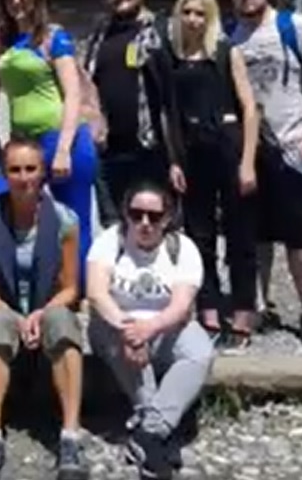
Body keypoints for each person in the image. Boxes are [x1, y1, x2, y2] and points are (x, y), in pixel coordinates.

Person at [227, 0, 302, 346]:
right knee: (255, 233)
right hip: (249, 150)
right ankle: (260, 304)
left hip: (291, 145)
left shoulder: (297, 27)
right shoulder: (230, 37)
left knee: (300, 234)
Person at [0, 138, 86, 480]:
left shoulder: (64, 220)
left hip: (46, 306)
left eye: (30, 169)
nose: (23, 178)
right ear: (5, 175)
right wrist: (16, 317)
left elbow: (70, 288)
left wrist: (39, 314)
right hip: (3, 305)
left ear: (42, 172)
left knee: (62, 321)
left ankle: (70, 435)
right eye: (15, 170)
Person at [87, 181, 214, 480]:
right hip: (115, 325)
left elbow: (181, 306)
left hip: (165, 326)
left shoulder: (182, 249)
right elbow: (96, 293)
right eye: (136, 214)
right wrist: (129, 329)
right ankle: (160, 432)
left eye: (154, 217)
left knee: (200, 352)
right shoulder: (109, 241)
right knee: (124, 342)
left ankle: (149, 432)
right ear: (126, 214)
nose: (144, 223)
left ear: (167, 219)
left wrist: (149, 328)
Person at [0, 0, 99, 272]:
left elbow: (73, 93)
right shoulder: (4, 41)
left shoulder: (53, 37)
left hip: (62, 138)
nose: (16, 1)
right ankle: (4, 285)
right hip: (23, 143)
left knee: (73, 222)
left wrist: (63, 149)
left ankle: (79, 289)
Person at [166, 0, 259, 348]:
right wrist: (174, 160)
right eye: (187, 12)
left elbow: (249, 107)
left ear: (210, 17)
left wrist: (247, 161)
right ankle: (208, 308)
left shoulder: (225, 51)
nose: (193, 20)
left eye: (200, 13)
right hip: (192, 150)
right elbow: (169, 114)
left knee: (240, 232)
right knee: (198, 233)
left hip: (228, 143)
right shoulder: (173, 58)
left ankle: (243, 310)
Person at [80, 0, 183, 222]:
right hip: (109, 150)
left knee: (154, 222)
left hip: (151, 149)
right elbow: (86, 84)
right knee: (113, 225)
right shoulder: (99, 35)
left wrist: (177, 156)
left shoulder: (163, 30)